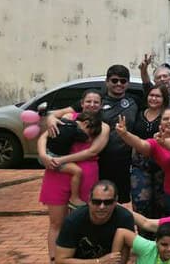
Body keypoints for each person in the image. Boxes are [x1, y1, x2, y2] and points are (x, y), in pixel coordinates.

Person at [46, 65, 138, 205]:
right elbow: (58, 114)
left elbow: (157, 100)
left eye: (123, 81)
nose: (119, 84)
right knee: (96, 200)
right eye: (114, 80)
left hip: (122, 162)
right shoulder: (95, 101)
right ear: (107, 82)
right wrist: (51, 119)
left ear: (128, 83)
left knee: (118, 201)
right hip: (96, 162)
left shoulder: (134, 101)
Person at [40, 91, 110, 262]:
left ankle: (81, 260)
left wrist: (61, 159)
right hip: (56, 173)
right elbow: (44, 136)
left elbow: (92, 151)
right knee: (56, 222)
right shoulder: (69, 118)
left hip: (86, 174)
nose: (92, 105)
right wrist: (43, 156)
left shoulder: (103, 127)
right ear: (82, 103)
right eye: (88, 101)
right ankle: (55, 262)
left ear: (101, 105)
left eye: (96, 102)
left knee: (85, 221)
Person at [114, 108, 170, 217]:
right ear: (160, 123)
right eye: (166, 119)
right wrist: (125, 134)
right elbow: (140, 144)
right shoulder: (156, 142)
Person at [41, 110, 103, 208]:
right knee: (77, 171)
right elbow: (87, 139)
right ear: (85, 123)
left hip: (49, 153)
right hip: (53, 158)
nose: (89, 135)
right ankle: (74, 198)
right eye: (89, 132)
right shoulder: (76, 129)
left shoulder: (64, 122)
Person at [126, 85, 170, 218]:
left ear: (164, 99)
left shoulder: (168, 117)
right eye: (151, 95)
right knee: (141, 200)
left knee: (161, 202)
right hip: (140, 164)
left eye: (158, 96)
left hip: (161, 164)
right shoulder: (139, 114)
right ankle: (142, 234)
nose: (154, 98)